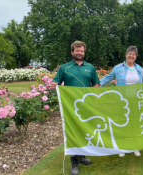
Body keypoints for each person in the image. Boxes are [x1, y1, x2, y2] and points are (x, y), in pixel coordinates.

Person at [50, 41, 100, 175]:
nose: (79, 53)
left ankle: (81, 156)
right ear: (72, 52)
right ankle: (74, 163)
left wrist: (94, 100)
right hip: (70, 106)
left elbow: (95, 84)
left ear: (84, 52)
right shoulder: (65, 68)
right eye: (77, 51)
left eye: (82, 51)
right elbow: (56, 82)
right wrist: (53, 84)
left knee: (84, 130)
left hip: (86, 105)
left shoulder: (90, 67)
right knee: (72, 131)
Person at [99, 46, 143, 157]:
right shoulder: (118, 68)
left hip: (136, 100)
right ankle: (122, 147)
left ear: (136, 56)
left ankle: (135, 146)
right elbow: (108, 78)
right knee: (122, 123)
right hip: (121, 100)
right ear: (126, 55)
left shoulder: (139, 69)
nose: (131, 56)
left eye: (133, 54)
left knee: (134, 123)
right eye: (129, 53)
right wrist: (97, 84)